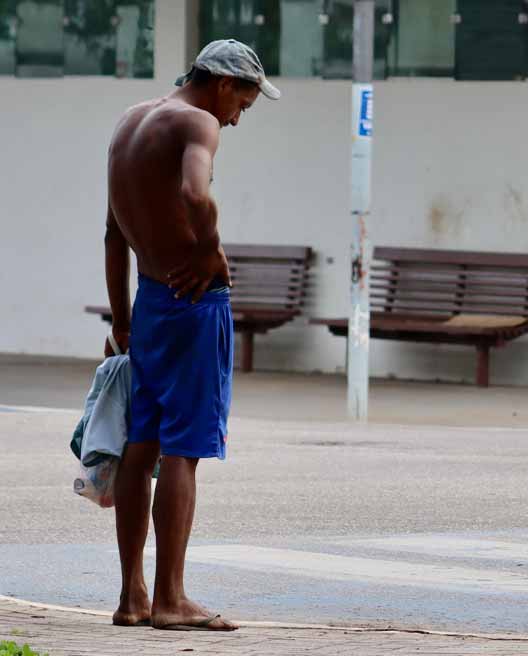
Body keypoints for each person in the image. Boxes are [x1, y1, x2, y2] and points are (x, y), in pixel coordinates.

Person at [102, 39, 279, 632]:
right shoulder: (198, 121)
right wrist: (212, 254)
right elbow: (195, 194)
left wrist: (120, 320)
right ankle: (172, 598)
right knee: (184, 448)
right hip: (194, 303)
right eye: (244, 105)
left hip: (148, 301)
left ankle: (134, 597)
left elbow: (111, 233)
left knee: (141, 444)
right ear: (224, 84)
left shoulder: (131, 122)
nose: (236, 118)